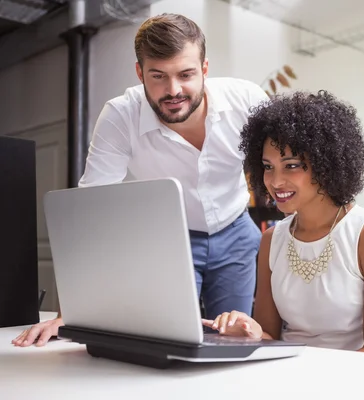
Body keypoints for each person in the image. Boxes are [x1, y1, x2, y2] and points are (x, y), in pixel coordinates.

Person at [12, 13, 267, 347]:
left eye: (186, 74)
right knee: (172, 342)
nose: (173, 90)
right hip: (168, 240)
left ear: (205, 70)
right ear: (139, 72)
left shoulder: (247, 101)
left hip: (236, 233)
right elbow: (91, 212)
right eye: (158, 76)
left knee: (237, 342)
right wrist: (71, 312)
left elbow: (290, 163)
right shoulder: (121, 115)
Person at [202, 91, 364, 354]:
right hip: (287, 377)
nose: (275, 181)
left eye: (291, 165)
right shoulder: (272, 239)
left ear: (325, 164)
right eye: (268, 167)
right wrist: (251, 332)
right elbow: (269, 336)